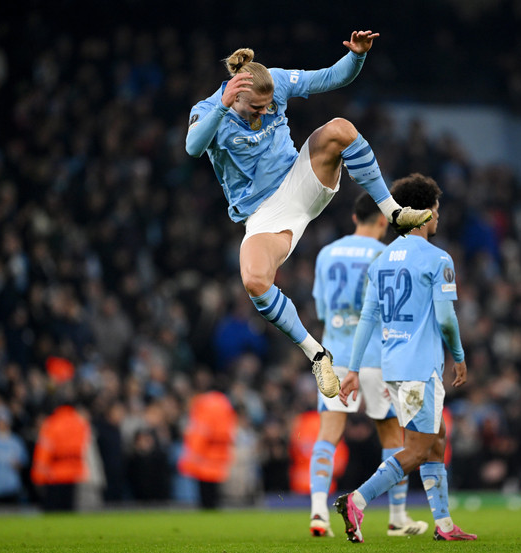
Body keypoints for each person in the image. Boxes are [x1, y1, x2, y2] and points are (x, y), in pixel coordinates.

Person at [185, 30, 433, 401]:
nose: (265, 112)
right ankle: (316, 354)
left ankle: (394, 214)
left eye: (270, 106)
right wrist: (220, 105)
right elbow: (192, 148)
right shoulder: (210, 111)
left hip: (300, 180)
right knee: (254, 280)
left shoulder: (276, 83)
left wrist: (358, 56)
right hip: (263, 215)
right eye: (256, 109)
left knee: (340, 129)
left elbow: (333, 76)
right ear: (234, 96)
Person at [334, 173, 476, 543]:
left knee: (437, 438)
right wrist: (458, 356)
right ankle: (358, 500)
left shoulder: (381, 260)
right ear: (426, 214)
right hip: (418, 369)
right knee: (417, 448)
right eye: (437, 210)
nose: (439, 218)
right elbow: (446, 317)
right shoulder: (437, 258)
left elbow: (367, 318)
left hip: (392, 367)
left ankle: (444, 525)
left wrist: (352, 370)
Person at [308, 192, 428, 538]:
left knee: (328, 434)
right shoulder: (385, 254)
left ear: (353, 217)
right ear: (381, 221)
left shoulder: (325, 253)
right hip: (376, 356)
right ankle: (397, 517)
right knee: (392, 433)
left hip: (333, 356)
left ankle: (318, 512)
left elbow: (321, 311)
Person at [177, 386, 237, 509]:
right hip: (219, 454)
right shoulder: (225, 404)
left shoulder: (203, 404)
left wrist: (193, 453)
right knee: (214, 492)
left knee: (205, 493)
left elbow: (200, 432)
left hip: (204, 456)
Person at [31, 395, 92, 511]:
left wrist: (38, 476)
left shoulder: (52, 423)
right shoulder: (80, 423)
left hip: (55, 473)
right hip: (74, 471)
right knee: (68, 509)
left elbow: (44, 449)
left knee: (53, 510)